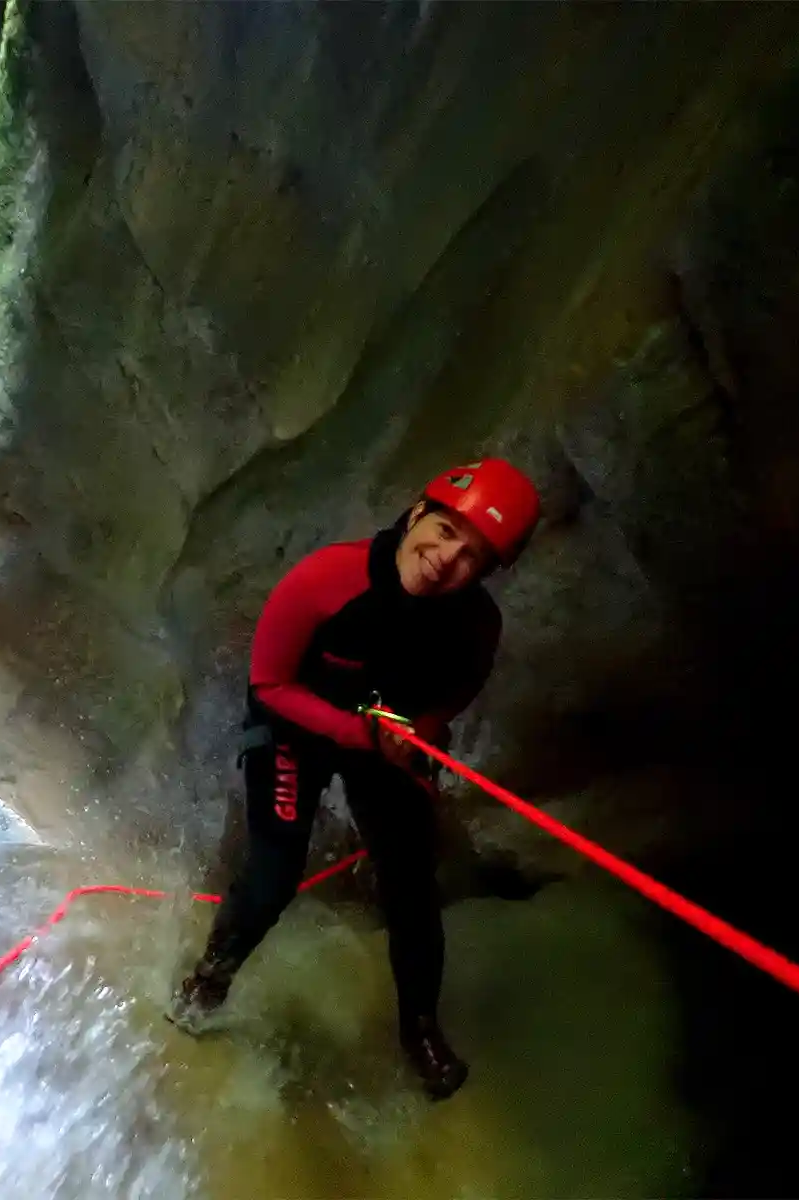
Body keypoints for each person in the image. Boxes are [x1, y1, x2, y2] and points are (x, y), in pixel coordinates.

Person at [167, 459, 541, 1100]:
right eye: (447, 531)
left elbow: (461, 686)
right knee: (274, 872)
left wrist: (421, 727)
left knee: (411, 885)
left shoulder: (475, 624)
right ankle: (209, 979)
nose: (447, 559)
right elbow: (270, 684)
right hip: (297, 729)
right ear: (420, 511)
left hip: (384, 741)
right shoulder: (329, 578)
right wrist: (359, 733)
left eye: (472, 556)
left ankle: (419, 1029)